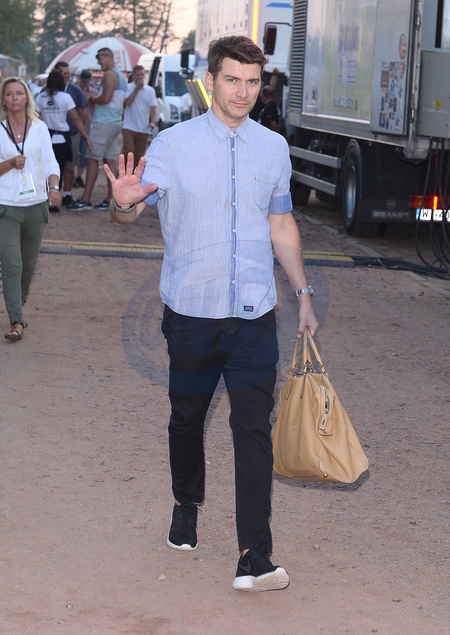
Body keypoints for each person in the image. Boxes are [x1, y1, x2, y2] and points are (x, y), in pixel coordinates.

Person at [104, 35, 318, 592]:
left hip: (254, 316)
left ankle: (255, 556)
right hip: (192, 314)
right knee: (186, 419)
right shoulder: (172, 145)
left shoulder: (273, 148)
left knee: (253, 427)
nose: (242, 92)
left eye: (252, 82)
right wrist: (122, 202)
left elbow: (281, 223)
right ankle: (186, 502)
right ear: (210, 80)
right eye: (232, 80)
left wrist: (302, 293)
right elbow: (129, 213)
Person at [0, 77, 61, 341]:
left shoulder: (39, 128)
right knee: (12, 264)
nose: (14, 97)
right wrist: (10, 163)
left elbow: (50, 162)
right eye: (9, 94)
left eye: (19, 93)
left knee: (28, 265)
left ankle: (16, 303)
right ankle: (17, 321)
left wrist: (54, 186)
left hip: (36, 206)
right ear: (3, 100)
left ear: (27, 97)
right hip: (6, 207)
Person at [69, 47, 127, 211]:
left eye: (100, 59)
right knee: (109, 160)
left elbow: (106, 98)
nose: (99, 63)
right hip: (114, 121)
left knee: (92, 158)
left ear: (108, 57)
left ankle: (86, 199)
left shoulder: (109, 75)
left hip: (104, 122)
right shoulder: (120, 76)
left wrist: (92, 99)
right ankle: (111, 198)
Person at [34, 71, 91, 212]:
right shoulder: (65, 97)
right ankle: (59, 197)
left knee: (47, 167)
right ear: (61, 82)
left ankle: (47, 199)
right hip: (63, 136)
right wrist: (86, 136)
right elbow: (76, 118)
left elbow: (36, 118)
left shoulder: (41, 97)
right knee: (62, 167)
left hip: (47, 135)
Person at [53, 61, 86, 207]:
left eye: (68, 73)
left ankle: (67, 194)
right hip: (52, 134)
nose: (67, 76)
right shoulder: (46, 91)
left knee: (70, 165)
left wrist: (80, 132)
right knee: (52, 166)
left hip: (72, 134)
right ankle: (53, 194)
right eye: (64, 73)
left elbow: (81, 113)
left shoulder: (75, 90)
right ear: (56, 73)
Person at [122, 64, 157, 170]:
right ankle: (124, 171)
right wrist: (137, 89)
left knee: (139, 155)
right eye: (138, 75)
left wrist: (153, 122)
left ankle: (134, 174)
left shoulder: (150, 90)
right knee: (129, 150)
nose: (140, 77)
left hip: (143, 128)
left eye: (142, 75)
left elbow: (153, 108)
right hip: (129, 126)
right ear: (133, 76)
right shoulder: (128, 87)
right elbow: (127, 103)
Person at [74, 70, 98, 188]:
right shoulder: (75, 91)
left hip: (88, 127)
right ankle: (74, 176)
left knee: (83, 154)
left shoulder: (94, 93)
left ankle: (79, 176)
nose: (85, 84)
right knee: (74, 154)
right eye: (84, 81)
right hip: (75, 128)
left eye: (87, 81)